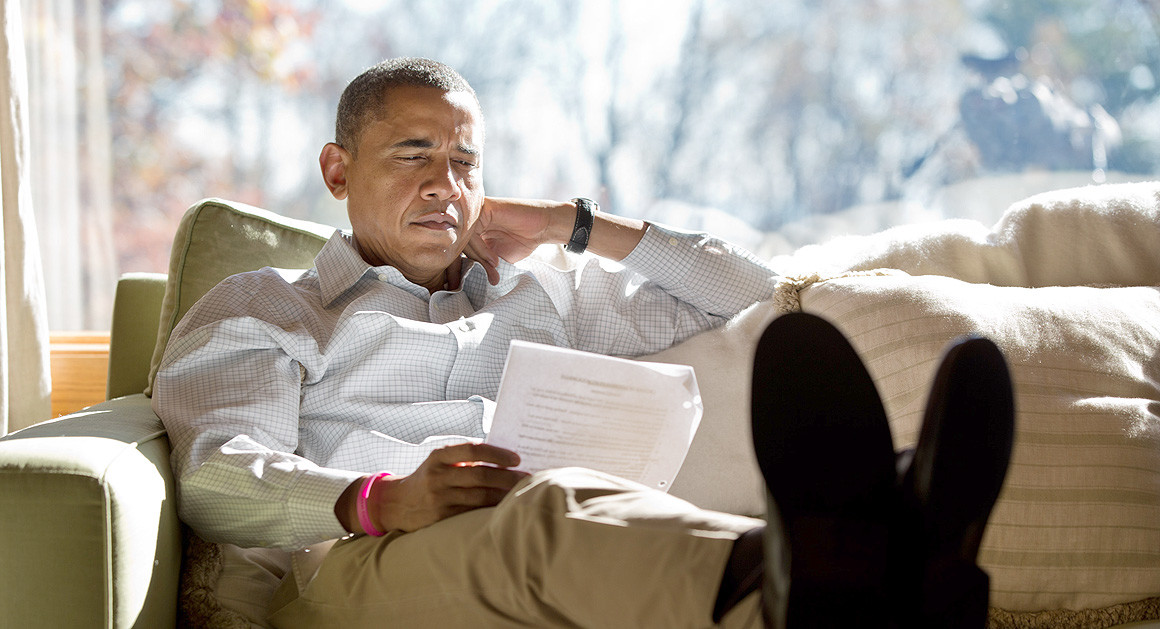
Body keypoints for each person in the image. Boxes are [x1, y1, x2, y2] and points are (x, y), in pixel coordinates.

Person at [153, 57, 1014, 628]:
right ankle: (867, 559)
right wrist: (378, 499)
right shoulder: (268, 307)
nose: (444, 186)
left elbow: (756, 294)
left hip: (561, 548)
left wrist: (574, 225)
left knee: (559, 506)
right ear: (338, 170)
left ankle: (865, 574)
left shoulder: (548, 295)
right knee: (543, 513)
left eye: (464, 162)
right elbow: (216, 475)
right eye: (413, 154)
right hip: (350, 572)